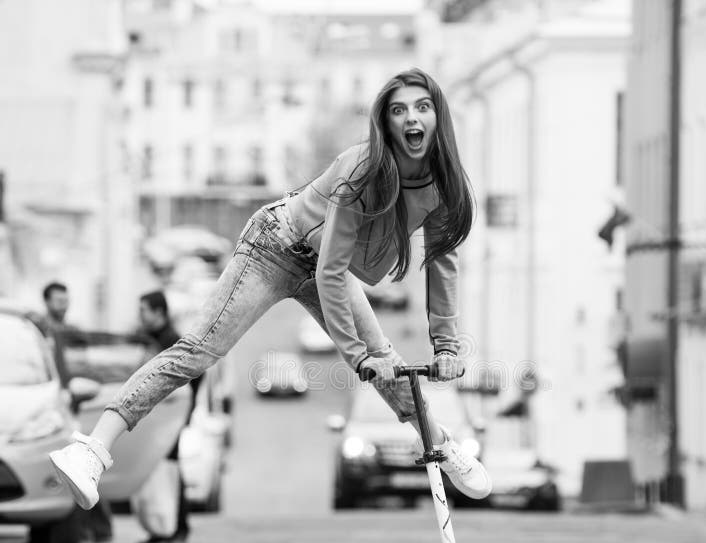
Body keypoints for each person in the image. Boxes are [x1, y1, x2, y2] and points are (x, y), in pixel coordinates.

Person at [48, 67, 493, 511]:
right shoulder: (361, 168)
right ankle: (90, 449)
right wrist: (359, 356)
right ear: (387, 122)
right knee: (198, 350)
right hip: (275, 244)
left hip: (321, 262)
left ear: (438, 115)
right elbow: (332, 273)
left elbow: (443, 263)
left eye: (422, 107)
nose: (411, 118)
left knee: (391, 362)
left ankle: (443, 445)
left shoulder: (442, 184)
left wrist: (447, 348)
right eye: (398, 110)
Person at [40, 282, 113, 543]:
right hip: (45, 410)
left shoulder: (71, 334)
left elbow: (83, 368)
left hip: (69, 406)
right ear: (46, 301)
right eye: (58, 300)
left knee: (78, 468)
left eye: (65, 300)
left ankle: (96, 528)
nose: (63, 305)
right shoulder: (41, 332)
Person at [136, 290, 196, 543]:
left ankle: (176, 527)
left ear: (158, 312)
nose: (140, 315)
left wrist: (182, 408)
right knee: (158, 469)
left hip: (169, 416)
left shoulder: (172, 340)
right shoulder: (150, 339)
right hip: (157, 417)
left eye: (144, 310)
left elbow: (196, 373)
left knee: (169, 469)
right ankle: (163, 526)